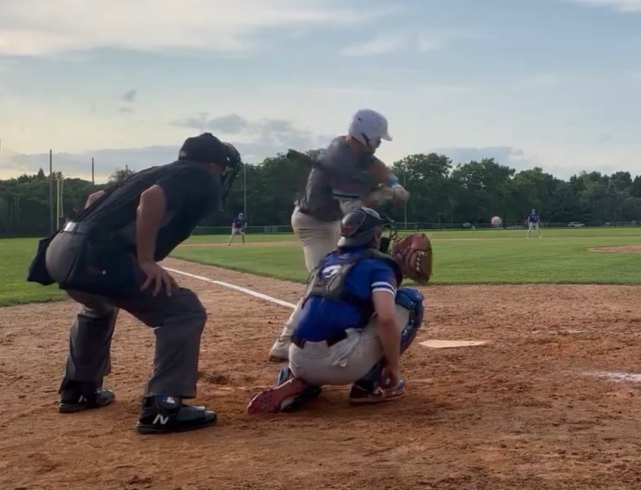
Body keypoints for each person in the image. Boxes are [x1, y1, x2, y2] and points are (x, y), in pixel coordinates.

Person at [26, 133, 242, 434]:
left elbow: (95, 198)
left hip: (61, 249)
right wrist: (145, 260)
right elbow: (151, 199)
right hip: (96, 255)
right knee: (184, 310)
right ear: (212, 165)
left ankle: (79, 389)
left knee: (98, 306)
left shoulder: (153, 171)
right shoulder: (200, 176)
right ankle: (163, 408)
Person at [247, 207, 430, 414]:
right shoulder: (379, 266)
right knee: (410, 299)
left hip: (297, 359)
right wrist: (394, 369)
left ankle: (298, 382)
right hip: (341, 363)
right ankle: (369, 386)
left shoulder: (328, 261)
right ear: (375, 235)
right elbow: (387, 319)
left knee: (340, 310)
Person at [268, 109, 409, 361]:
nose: (378, 144)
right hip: (312, 223)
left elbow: (378, 168)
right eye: (377, 139)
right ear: (365, 136)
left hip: (333, 222)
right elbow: (352, 209)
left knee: (341, 278)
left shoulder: (356, 152)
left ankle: (343, 324)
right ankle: (284, 343)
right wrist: (381, 195)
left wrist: (393, 183)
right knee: (323, 282)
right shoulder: (337, 160)